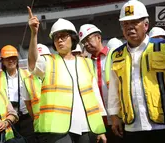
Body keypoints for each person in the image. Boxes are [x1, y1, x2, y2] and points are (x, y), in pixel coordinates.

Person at [28, 6, 106, 143]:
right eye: (56, 37)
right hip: (58, 129)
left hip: (86, 125)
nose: (59, 40)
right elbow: (33, 64)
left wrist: (101, 128)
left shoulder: (87, 64)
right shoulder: (48, 61)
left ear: (73, 38)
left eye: (63, 36)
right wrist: (34, 34)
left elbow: (95, 96)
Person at [108, 1, 165, 143]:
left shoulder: (164, 48)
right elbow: (114, 89)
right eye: (125, 24)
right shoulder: (117, 55)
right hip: (133, 128)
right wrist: (114, 116)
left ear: (146, 25)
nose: (129, 28)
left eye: (134, 22)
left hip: (164, 125)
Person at [79, 24, 123, 143]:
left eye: (88, 39)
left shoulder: (115, 56)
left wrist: (116, 116)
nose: (86, 44)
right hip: (100, 122)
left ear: (98, 37)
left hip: (119, 118)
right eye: (84, 42)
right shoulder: (86, 63)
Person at [0, 45, 35, 143]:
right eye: (7, 59)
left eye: (13, 58)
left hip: (27, 117)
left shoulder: (27, 74)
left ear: (17, 59)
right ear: (3, 61)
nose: (11, 61)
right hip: (9, 119)